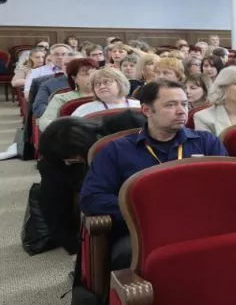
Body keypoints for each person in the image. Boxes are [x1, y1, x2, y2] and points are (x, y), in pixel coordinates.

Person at [80, 80, 228, 269]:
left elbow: (226, 187)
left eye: (184, 104)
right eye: (170, 105)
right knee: (127, 254)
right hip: (144, 229)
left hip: (200, 224)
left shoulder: (207, 143)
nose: (182, 111)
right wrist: (146, 210)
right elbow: (92, 198)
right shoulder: (116, 150)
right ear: (147, 110)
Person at [38, 57, 98, 129]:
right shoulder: (62, 98)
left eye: (94, 73)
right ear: (74, 78)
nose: (91, 77)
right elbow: (45, 121)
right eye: (85, 73)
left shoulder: (108, 95)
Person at [73, 67, 141, 118]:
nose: (102, 86)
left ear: (120, 83)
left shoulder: (138, 105)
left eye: (106, 82)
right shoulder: (84, 110)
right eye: (97, 84)